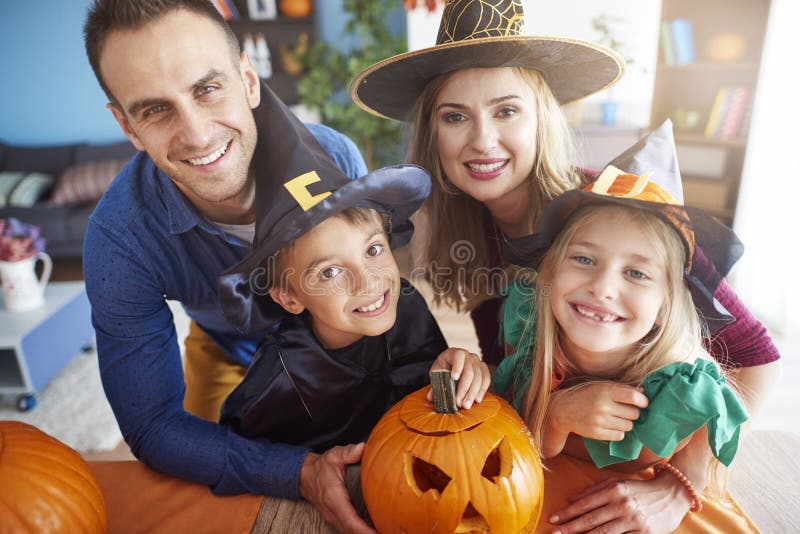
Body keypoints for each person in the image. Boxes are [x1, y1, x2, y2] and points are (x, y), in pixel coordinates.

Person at [350, 0, 780, 529]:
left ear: (541, 118)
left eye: (506, 110)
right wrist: (475, 374)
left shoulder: (621, 215)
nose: (481, 139)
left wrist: (679, 485)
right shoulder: (472, 230)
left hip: (651, 461)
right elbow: (516, 372)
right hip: (561, 452)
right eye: (455, 116)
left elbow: (757, 359)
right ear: (432, 136)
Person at [82, 1, 381, 531]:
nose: (196, 135)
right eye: (155, 109)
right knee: (203, 505)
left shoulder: (336, 160)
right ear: (126, 125)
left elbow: (376, 303)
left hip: (336, 347)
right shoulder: (119, 238)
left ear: (248, 79)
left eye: (206, 89)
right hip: (226, 351)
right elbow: (153, 425)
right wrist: (298, 472)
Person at [210, 92, 489, 530]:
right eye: (328, 273)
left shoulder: (408, 307)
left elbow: (425, 390)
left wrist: (455, 368)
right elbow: (238, 457)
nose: (368, 282)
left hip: (408, 481)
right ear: (288, 296)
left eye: (373, 250)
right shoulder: (274, 381)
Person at [507, 124, 755, 532]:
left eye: (637, 273)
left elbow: (711, 445)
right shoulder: (528, 331)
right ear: (549, 273)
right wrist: (554, 416)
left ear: (666, 305)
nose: (603, 289)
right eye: (584, 259)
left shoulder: (684, 382)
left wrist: (681, 487)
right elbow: (511, 441)